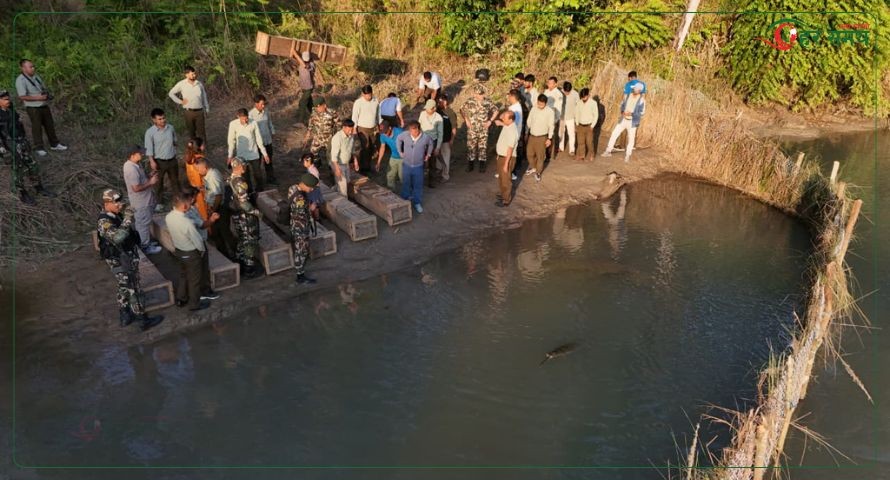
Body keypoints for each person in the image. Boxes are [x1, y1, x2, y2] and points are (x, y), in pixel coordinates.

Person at [96, 188, 164, 331]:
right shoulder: (104, 221)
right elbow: (117, 237)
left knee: (123, 287)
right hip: (120, 261)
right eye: (116, 202)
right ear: (106, 203)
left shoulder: (114, 215)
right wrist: (127, 219)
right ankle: (142, 320)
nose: (120, 204)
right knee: (134, 288)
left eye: (120, 201)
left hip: (124, 257)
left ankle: (125, 316)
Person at [166, 193, 220, 311]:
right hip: (191, 253)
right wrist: (201, 252)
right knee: (194, 280)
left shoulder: (169, 217)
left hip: (179, 251)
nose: (191, 205)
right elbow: (198, 241)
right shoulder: (187, 223)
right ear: (184, 206)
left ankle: (181, 298)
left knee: (183, 275)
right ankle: (195, 304)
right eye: (190, 204)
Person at [0, 89, 55, 204]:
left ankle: (39, 187)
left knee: (32, 164)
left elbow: (19, 125)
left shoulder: (11, 110)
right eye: (5, 99)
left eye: (8, 98)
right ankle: (22, 193)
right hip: (10, 145)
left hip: (22, 142)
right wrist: (4, 152)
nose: (8, 101)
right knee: (18, 169)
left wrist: (24, 139)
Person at [15, 59, 67, 157]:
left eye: (33, 66)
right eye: (30, 67)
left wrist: (46, 95)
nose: (33, 68)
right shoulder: (20, 80)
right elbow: (22, 96)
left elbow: (42, 88)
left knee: (49, 125)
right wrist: (37, 97)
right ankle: (39, 147)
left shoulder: (37, 77)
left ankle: (54, 144)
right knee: (36, 127)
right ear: (23, 68)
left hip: (43, 104)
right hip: (33, 107)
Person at [122, 145, 162, 255]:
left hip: (144, 200)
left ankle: (146, 242)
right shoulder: (131, 169)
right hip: (141, 202)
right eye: (139, 153)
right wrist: (151, 182)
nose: (142, 154)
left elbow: (139, 180)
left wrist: (149, 176)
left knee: (143, 223)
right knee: (143, 224)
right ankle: (145, 246)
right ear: (132, 155)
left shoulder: (134, 165)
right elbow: (135, 188)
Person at [194, 156, 236, 260]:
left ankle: (234, 253)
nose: (198, 172)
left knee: (224, 232)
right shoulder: (209, 174)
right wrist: (203, 188)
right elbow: (212, 189)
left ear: (205, 167)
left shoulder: (213, 176)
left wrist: (213, 209)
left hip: (219, 208)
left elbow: (218, 195)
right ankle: (224, 253)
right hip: (214, 206)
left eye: (198, 169)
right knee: (216, 233)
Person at [228, 157, 263, 278]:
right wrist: (256, 212)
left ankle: (240, 263)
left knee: (242, 239)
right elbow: (244, 203)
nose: (246, 167)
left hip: (237, 215)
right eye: (244, 165)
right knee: (249, 241)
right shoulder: (240, 182)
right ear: (239, 166)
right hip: (245, 216)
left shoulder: (231, 179)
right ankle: (249, 268)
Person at [286, 173, 321, 285]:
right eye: (310, 187)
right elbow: (302, 212)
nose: (311, 190)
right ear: (305, 185)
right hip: (300, 226)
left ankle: (300, 269)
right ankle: (300, 275)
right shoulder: (300, 198)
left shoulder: (293, 188)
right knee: (301, 250)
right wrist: (311, 208)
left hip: (294, 224)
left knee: (299, 248)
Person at [227, 108, 269, 195]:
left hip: (254, 153)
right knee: (245, 175)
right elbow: (231, 141)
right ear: (238, 116)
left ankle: (260, 191)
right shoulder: (233, 124)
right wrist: (230, 156)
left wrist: (264, 154)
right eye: (243, 119)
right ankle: (249, 192)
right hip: (241, 156)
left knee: (258, 174)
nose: (245, 120)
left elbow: (258, 138)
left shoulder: (253, 123)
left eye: (246, 118)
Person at [144, 108, 178, 212]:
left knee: (175, 182)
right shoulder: (150, 133)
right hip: (159, 161)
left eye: (163, 118)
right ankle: (159, 203)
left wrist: (174, 150)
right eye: (159, 119)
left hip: (172, 160)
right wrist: (152, 161)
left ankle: (177, 200)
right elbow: (149, 148)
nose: (163, 120)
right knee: (159, 183)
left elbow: (175, 141)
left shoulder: (170, 128)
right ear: (154, 120)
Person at [460, 83, 498, 173]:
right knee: (471, 147)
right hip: (472, 128)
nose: (480, 96)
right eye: (478, 94)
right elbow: (462, 110)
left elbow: (496, 110)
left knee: (482, 147)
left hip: (483, 129)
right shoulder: (470, 101)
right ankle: (470, 165)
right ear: (475, 94)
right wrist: (466, 119)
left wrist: (490, 121)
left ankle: (482, 166)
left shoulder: (487, 102)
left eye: (481, 94)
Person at [396, 121, 433, 214]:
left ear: (418, 130)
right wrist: (400, 151)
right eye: (410, 131)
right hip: (407, 165)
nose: (412, 133)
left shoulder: (425, 137)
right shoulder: (405, 135)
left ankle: (417, 202)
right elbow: (398, 139)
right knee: (406, 183)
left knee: (418, 185)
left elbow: (431, 144)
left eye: (414, 131)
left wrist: (428, 154)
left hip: (418, 166)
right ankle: (404, 201)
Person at [603, 83, 645, 162]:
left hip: (632, 122)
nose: (633, 89)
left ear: (639, 90)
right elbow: (622, 104)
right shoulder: (628, 95)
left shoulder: (641, 100)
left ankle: (628, 155)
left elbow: (641, 112)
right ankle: (608, 151)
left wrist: (631, 114)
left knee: (631, 138)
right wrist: (622, 111)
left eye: (635, 88)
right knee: (614, 134)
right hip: (623, 119)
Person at [168, 65, 209, 144]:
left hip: (199, 111)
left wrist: (207, 108)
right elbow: (171, 93)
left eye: (194, 74)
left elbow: (204, 96)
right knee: (191, 132)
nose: (194, 75)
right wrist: (180, 101)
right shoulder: (181, 84)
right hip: (188, 112)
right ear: (186, 74)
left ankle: (203, 148)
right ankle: (194, 150)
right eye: (192, 74)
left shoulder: (199, 84)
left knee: (201, 132)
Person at [303, 96, 339, 181]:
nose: (318, 109)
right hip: (318, 138)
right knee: (313, 153)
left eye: (319, 107)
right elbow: (311, 123)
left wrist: (337, 136)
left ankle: (332, 173)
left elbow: (339, 124)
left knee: (331, 156)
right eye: (316, 107)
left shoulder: (332, 113)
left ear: (324, 105)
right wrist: (308, 133)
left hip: (329, 138)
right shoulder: (314, 112)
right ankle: (316, 167)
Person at [525, 94, 555, 182]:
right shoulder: (534, 109)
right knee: (529, 154)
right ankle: (534, 167)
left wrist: (549, 138)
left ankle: (538, 172)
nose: (540, 105)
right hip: (532, 135)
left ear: (545, 103)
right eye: (539, 103)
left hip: (542, 137)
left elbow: (551, 126)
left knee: (540, 156)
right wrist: (527, 132)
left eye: (542, 104)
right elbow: (529, 121)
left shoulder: (550, 111)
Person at [495, 89, 523, 181]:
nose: (508, 97)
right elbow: (502, 117)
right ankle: (506, 171)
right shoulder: (513, 107)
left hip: (512, 134)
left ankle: (511, 172)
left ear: (512, 97)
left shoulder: (516, 110)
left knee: (510, 152)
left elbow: (513, 124)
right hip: (509, 133)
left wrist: (501, 123)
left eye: (509, 96)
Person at [351, 85, 381, 173]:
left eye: (370, 94)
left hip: (372, 128)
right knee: (364, 148)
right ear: (362, 94)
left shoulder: (375, 101)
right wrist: (354, 129)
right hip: (362, 129)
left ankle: (367, 166)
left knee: (371, 147)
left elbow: (378, 114)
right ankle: (362, 168)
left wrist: (379, 125)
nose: (368, 97)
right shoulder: (358, 102)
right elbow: (354, 116)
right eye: (366, 95)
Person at [249, 94, 277, 185]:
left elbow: (270, 123)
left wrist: (272, 132)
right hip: (257, 144)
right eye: (261, 104)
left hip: (267, 141)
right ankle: (259, 183)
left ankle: (271, 179)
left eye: (264, 104)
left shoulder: (266, 111)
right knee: (257, 164)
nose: (263, 106)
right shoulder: (251, 115)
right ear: (256, 104)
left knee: (269, 161)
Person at [494, 110, 519, 208]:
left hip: (507, 158)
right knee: (501, 177)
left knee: (505, 179)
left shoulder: (512, 130)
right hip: (502, 156)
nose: (502, 118)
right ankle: (503, 194)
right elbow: (501, 118)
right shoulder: (507, 125)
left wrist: (506, 164)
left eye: (505, 117)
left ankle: (506, 200)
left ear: (511, 119)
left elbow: (510, 148)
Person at [330, 119, 359, 196]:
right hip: (338, 164)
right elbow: (334, 156)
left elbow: (352, 150)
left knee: (347, 182)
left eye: (352, 129)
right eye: (349, 129)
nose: (351, 131)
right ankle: (344, 203)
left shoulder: (351, 136)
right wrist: (337, 169)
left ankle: (333, 191)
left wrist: (355, 161)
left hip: (346, 163)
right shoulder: (337, 138)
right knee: (343, 189)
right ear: (344, 127)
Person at [418, 99, 443, 188]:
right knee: (421, 161)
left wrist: (438, 147)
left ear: (434, 109)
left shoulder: (439, 118)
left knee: (432, 162)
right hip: (422, 140)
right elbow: (419, 127)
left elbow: (440, 134)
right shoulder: (422, 114)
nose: (427, 111)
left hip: (433, 141)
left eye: (429, 109)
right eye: (426, 109)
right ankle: (419, 180)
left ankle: (431, 181)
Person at [183, 137, 209, 220]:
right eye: (203, 144)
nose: (204, 146)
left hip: (194, 189)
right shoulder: (199, 159)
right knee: (205, 214)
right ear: (200, 147)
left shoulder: (189, 158)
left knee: (199, 214)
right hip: (202, 190)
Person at [436, 94, 460, 182]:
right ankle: (439, 170)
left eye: (440, 102)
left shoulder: (450, 113)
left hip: (446, 139)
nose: (438, 103)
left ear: (445, 102)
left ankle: (445, 175)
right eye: (438, 102)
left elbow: (454, 127)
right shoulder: (437, 111)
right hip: (438, 139)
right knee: (438, 157)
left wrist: (452, 139)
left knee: (445, 157)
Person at [376, 120, 404, 191]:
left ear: (390, 128)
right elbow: (382, 147)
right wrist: (378, 162)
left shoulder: (400, 132)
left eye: (386, 132)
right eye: (382, 132)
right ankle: (392, 192)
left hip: (404, 158)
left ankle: (407, 194)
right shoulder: (382, 135)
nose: (384, 134)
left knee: (403, 177)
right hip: (393, 156)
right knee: (390, 175)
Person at [543, 76, 565, 161]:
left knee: (551, 136)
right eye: (548, 83)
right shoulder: (546, 92)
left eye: (551, 83)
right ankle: (545, 153)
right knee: (545, 135)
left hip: (553, 117)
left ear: (555, 84)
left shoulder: (558, 94)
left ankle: (550, 155)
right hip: (544, 117)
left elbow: (558, 108)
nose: (549, 84)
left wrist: (555, 120)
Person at [575, 88, 599, 162]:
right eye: (582, 97)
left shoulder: (593, 103)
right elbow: (576, 113)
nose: (583, 99)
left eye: (584, 97)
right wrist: (576, 124)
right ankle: (582, 155)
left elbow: (596, 115)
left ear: (588, 95)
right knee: (580, 142)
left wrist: (592, 126)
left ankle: (592, 154)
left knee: (589, 142)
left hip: (589, 126)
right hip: (580, 125)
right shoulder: (579, 102)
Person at [295, 51, 316, 123]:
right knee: (309, 104)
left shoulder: (311, 64)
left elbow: (305, 66)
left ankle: (301, 121)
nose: (305, 61)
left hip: (309, 88)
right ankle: (316, 116)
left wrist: (295, 53)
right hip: (304, 87)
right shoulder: (301, 63)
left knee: (302, 102)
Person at [561, 81, 580, 155]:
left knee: (571, 134)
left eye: (568, 92)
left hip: (571, 117)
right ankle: (561, 147)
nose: (566, 93)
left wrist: (577, 118)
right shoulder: (560, 93)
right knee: (561, 133)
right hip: (562, 116)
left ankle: (572, 149)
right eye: (565, 92)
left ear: (571, 89)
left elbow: (578, 106)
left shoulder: (575, 94)